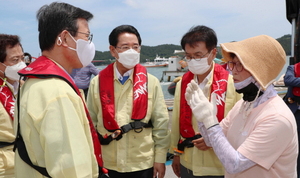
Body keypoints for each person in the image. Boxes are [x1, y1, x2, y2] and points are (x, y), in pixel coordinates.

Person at [185, 35, 298, 178]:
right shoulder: (243, 105)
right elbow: (210, 141)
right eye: (232, 64)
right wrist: (201, 115)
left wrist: (210, 121)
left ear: (260, 70)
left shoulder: (277, 117)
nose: (233, 71)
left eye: (240, 64)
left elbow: (235, 164)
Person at [14, 2, 103, 178]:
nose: (89, 43)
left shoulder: (35, 81)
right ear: (65, 38)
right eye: (86, 36)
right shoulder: (57, 92)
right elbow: (71, 170)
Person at [87, 24, 170, 178]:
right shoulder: (96, 83)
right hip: (108, 162)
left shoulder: (150, 82)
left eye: (135, 47)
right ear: (113, 50)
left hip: (142, 163)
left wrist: (160, 158)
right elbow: (90, 123)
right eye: (125, 47)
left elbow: (161, 123)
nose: (132, 51)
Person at [169, 25, 241, 178]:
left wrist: (212, 139)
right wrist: (176, 153)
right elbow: (176, 120)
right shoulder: (182, 83)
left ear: (213, 52)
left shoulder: (231, 82)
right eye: (188, 56)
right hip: (188, 162)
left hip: (218, 166)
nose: (193, 60)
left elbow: (241, 123)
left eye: (198, 55)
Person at [0, 34, 26, 177]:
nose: (21, 64)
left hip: (26, 159)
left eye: (22, 58)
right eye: (15, 60)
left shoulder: (25, 86)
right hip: (4, 166)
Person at [283, 62, 300, 177]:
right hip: (294, 111)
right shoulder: (292, 67)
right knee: (294, 146)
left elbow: (293, 80)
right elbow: (288, 80)